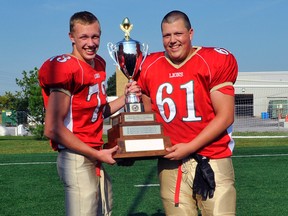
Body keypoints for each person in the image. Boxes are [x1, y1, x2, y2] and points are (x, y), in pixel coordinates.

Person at [38, 11, 141, 216]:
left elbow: (98, 112)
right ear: (72, 38)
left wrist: (126, 97)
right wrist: (96, 153)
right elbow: (52, 128)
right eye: (84, 37)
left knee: (104, 210)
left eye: (95, 36)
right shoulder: (65, 67)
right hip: (76, 154)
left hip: (94, 154)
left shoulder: (99, 64)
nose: (91, 43)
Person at [136, 10, 238, 215]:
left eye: (178, 34)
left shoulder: (213, 60)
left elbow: (225, 115)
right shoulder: (148, 66)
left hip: (212, 157)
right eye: (167, 35)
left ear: (190, 33)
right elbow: (149, 117)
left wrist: (189, 147)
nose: (172, 40)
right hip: (171, 160)